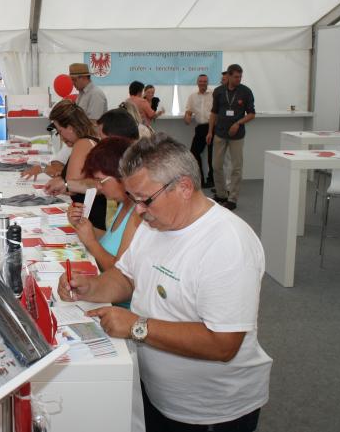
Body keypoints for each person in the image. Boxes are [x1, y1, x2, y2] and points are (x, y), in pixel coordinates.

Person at [58, 134, 272, 431]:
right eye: (133, 199)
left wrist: (136, 326)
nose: (138, 210)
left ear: (184, 187)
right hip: (157, 391)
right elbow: (125, 277)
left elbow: (224, 344)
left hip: (210, 411)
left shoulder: (228, 243)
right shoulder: (153, 222)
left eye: (145, 200)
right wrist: (91, 287)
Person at [67, 136, 140, 272]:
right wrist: (82, 225)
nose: (98, 187)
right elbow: (110, 240)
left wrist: (91, 242)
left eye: (101, 180)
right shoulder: (124, 202)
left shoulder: (139, 213)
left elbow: (120, 273)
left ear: (120, 175)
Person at [43, 99, 108, 230]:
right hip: (89, 215)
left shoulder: (82, 143)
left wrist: (62, 184)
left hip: (88, 219)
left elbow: (72, 187)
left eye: (60, 131)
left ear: (71, 128)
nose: (61, 137)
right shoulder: (92, 140)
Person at [207, 64, 255, 211]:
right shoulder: (219, 91)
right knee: (216, 166)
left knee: (236, 167)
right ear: (228, 76)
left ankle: (232, 198)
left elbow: (252, 114)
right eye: (236, 76)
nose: (238, 79)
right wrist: (210, 132)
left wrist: (238, 123)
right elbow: (214, 113)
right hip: (220, 133)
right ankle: (221, 195)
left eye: (240, 76)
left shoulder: (246, 92)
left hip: (237, 136)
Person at [184, 74, 214, 188]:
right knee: (194, 153)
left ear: (207, 82)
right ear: (197, 83)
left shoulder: (214, 95)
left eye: (205, 81)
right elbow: (189, 111)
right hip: (201, 128)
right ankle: (200, 180)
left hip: (213, 127)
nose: (202, 83)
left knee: (213, 156)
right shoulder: (192, 96)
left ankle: (212, 180)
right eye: (200, 81)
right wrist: (187, 117)